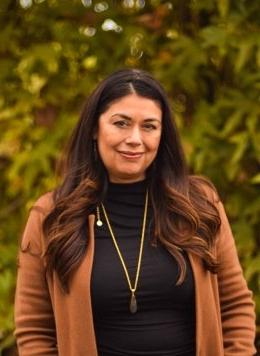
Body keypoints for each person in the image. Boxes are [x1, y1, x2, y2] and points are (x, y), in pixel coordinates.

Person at [14, 68, 256, 356]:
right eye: (121, 123)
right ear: (94, 128)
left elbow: (235, 306)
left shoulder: (199, 205)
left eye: (149, 126)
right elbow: (35, 329)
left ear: (162, 134)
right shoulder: (52, 215)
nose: (135, 139)